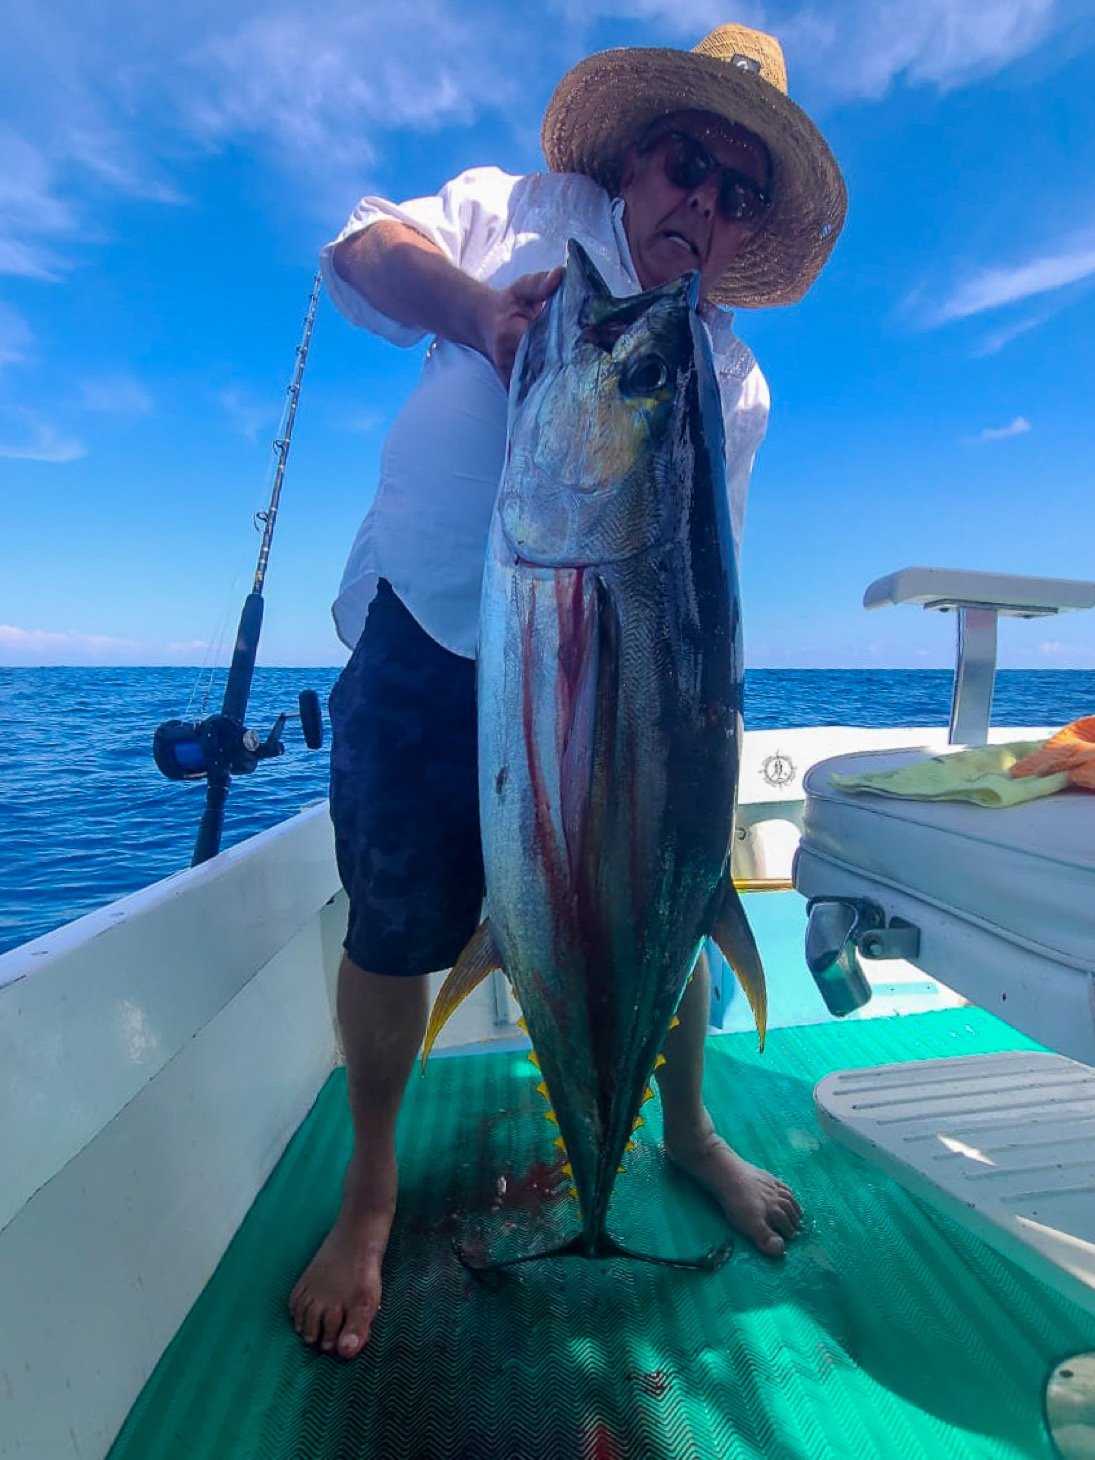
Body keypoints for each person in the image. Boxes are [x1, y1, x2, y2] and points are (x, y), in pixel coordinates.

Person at [290, 22, 846, 1360]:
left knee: (664, 898)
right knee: (393, 922)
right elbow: (361, 254)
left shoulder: (734, 378)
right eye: (683, 162)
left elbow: (705, 585)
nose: (700, 203)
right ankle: (373, 1189)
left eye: (737, 191)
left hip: (621, 687)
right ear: (634, 158)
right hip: (429, 639)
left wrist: (693, 763)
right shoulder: (515, 215)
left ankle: (686, 1135)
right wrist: (480, 313)